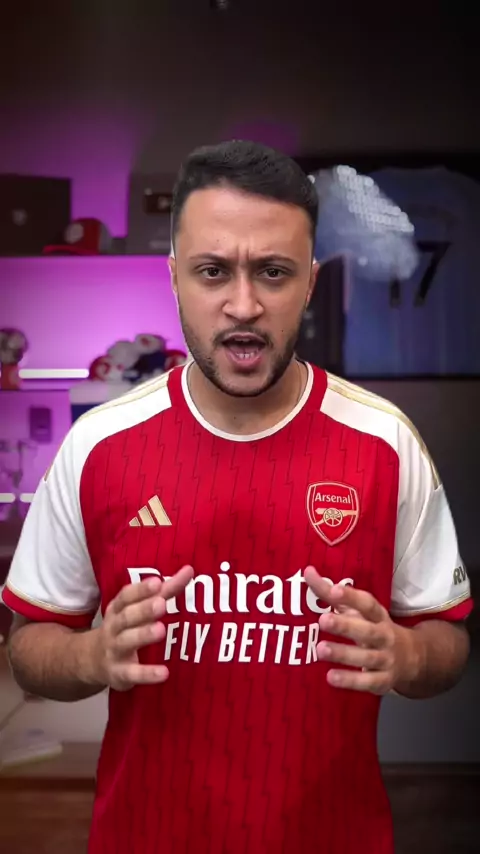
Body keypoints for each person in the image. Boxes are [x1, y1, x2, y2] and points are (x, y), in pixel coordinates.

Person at [3, 140, 472, 854]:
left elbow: (447, 641)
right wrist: (92, 655)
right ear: (174, 276)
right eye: (213, 271)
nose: (243, 305)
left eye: (273, 272)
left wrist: (405, 656)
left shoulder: (386, 443)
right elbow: (30, 645)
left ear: (310, 283)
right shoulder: (98, 444)